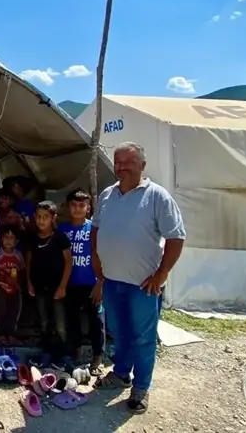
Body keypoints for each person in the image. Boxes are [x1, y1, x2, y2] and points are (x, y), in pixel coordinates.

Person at [92, 142, 185, 414]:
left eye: (128, 162)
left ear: (142, 165)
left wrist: (162, 273)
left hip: (143, 286)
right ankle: (121, 373)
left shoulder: (157, 196)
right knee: (120, 334)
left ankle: (141, 388)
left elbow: (176, 236)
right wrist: (97, 261)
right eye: (117, 162)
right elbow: (96, 229)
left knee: (143, 338)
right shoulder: (108, 194)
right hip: (112, 281)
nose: (121, 167)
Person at [58, 189, 105, 375]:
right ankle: (74, 351)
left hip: (92, 284)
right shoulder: (62, 230)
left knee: (96, 321)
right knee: (73, 320)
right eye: (73, 205)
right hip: (70, 284)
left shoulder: (94, 229)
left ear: (88, 208)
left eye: (81, 205)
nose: (77, 209)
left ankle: (98, 356)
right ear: (68, 207)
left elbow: (103, 256)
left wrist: (100, 283)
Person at [25, 200, 72, 367]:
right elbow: (29, 262)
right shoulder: (32, 238)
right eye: (38, 217)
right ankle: (45, 353)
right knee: (44, 321)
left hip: (56, 287)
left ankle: (61, 357)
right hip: (39, 286)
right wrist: (29, 282)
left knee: (60, 324)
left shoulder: (60, 238)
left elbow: (68, 262)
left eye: (45, 217)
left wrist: (62, 286)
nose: (41, 220)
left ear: (53, 218)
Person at [0, 225, 25, 343]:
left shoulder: (18, 255)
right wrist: (3, 278)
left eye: (12, 238)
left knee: (14, 309)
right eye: (6, 237)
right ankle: (0, 333)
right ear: (1, 239)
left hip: (15, 288)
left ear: (16, 241)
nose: (9, 240)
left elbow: (22, 270)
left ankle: (11, 333)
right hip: (0, 287)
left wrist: (16, 281)